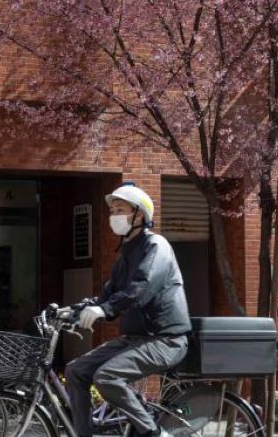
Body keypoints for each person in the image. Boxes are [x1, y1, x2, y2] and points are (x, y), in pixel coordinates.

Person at [65, 183, 191, 437]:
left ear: (140, 215)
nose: (114, 216)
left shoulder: (157, 246)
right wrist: (77, 310)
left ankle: (152, 432)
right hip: (135, 339)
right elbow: (109, 294)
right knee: (76, 370)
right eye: (112, 211)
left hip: (165, 340)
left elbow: (141, 288)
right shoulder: (125, 253)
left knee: (107, 376)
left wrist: (105, 309)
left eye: (120, 210)